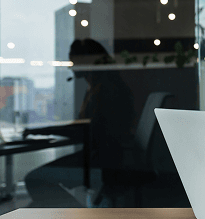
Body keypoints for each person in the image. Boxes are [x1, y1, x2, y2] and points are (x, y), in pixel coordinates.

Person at [24, 39, 137, 207]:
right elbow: (86, 128)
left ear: (86, 61)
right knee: (36, 203)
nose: (70, 67)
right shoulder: (101, 87)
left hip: (103, 163)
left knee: (35, 180)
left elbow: (85, 130)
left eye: (73, 61)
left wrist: (42, 131)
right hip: (101, 158)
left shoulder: (105, 91)